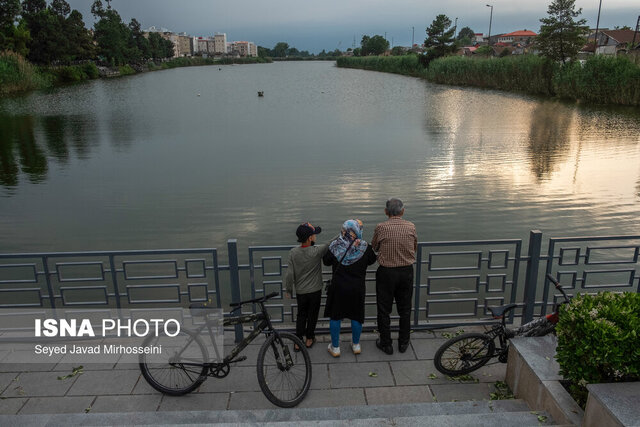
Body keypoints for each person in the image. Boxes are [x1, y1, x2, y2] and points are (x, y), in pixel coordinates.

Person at [323, 219, 377, 357]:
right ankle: (356, 345)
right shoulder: (365, 247)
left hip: (338, 287)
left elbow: (326, 261)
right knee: (356, 316)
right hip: (357, 288)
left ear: (344, 230)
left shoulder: (335, 245)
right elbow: (372, 260)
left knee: (335, 316)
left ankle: (335, 348)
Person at [371, 198, 417, 355]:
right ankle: (403, 343)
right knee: (405, 309)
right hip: (406, 272)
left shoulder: (381, 227)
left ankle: (386, 344)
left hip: (386, 273)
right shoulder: (411, 226)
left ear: (386, 212)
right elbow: (414, 247)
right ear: (402, 211)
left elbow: (374, 247)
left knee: (383, 310)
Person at [284, 222, 328, 350]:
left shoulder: (293, 252)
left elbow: (290, 274)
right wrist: (343, 233)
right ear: (310, 238)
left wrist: (288, 289)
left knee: (301, 315)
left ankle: (298, 341)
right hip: (315, 291)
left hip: (301, 291)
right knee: (312, 314)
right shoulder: (317, 251)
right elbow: (330, 243)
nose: (315, 236)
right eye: (314, 234)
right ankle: (309, 338)